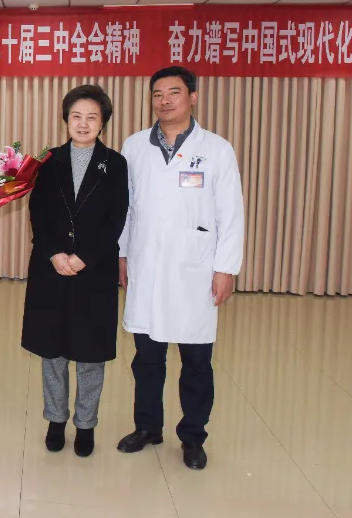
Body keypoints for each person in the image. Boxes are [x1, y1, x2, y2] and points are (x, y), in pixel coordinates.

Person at [117, 66, 244, 471]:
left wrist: (226, 268)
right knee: (146, 358)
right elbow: (125, 207)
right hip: (146, 265)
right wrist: (122, 254)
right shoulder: (135, 146)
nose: (165, 100)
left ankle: (192, 436)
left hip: (195, 270)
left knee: (196, 361)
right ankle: (147, 427)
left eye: (174, 92)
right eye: (157, 94)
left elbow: (231, 213)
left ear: (193, 97)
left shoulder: (217, 150)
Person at [21, 85, 129, 459]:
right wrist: (54, 253)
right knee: (52, 352)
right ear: (66, 120)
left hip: (94, 271)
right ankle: (55, 420)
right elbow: (38, 213)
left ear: (103, 123)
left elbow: (116, 216)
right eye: (76, 116)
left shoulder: (115, 164)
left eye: (91, 117)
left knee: (90, 352)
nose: (83, 124)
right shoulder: (48, 160)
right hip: (51, 269)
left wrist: (84, 256)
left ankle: (86, 424)